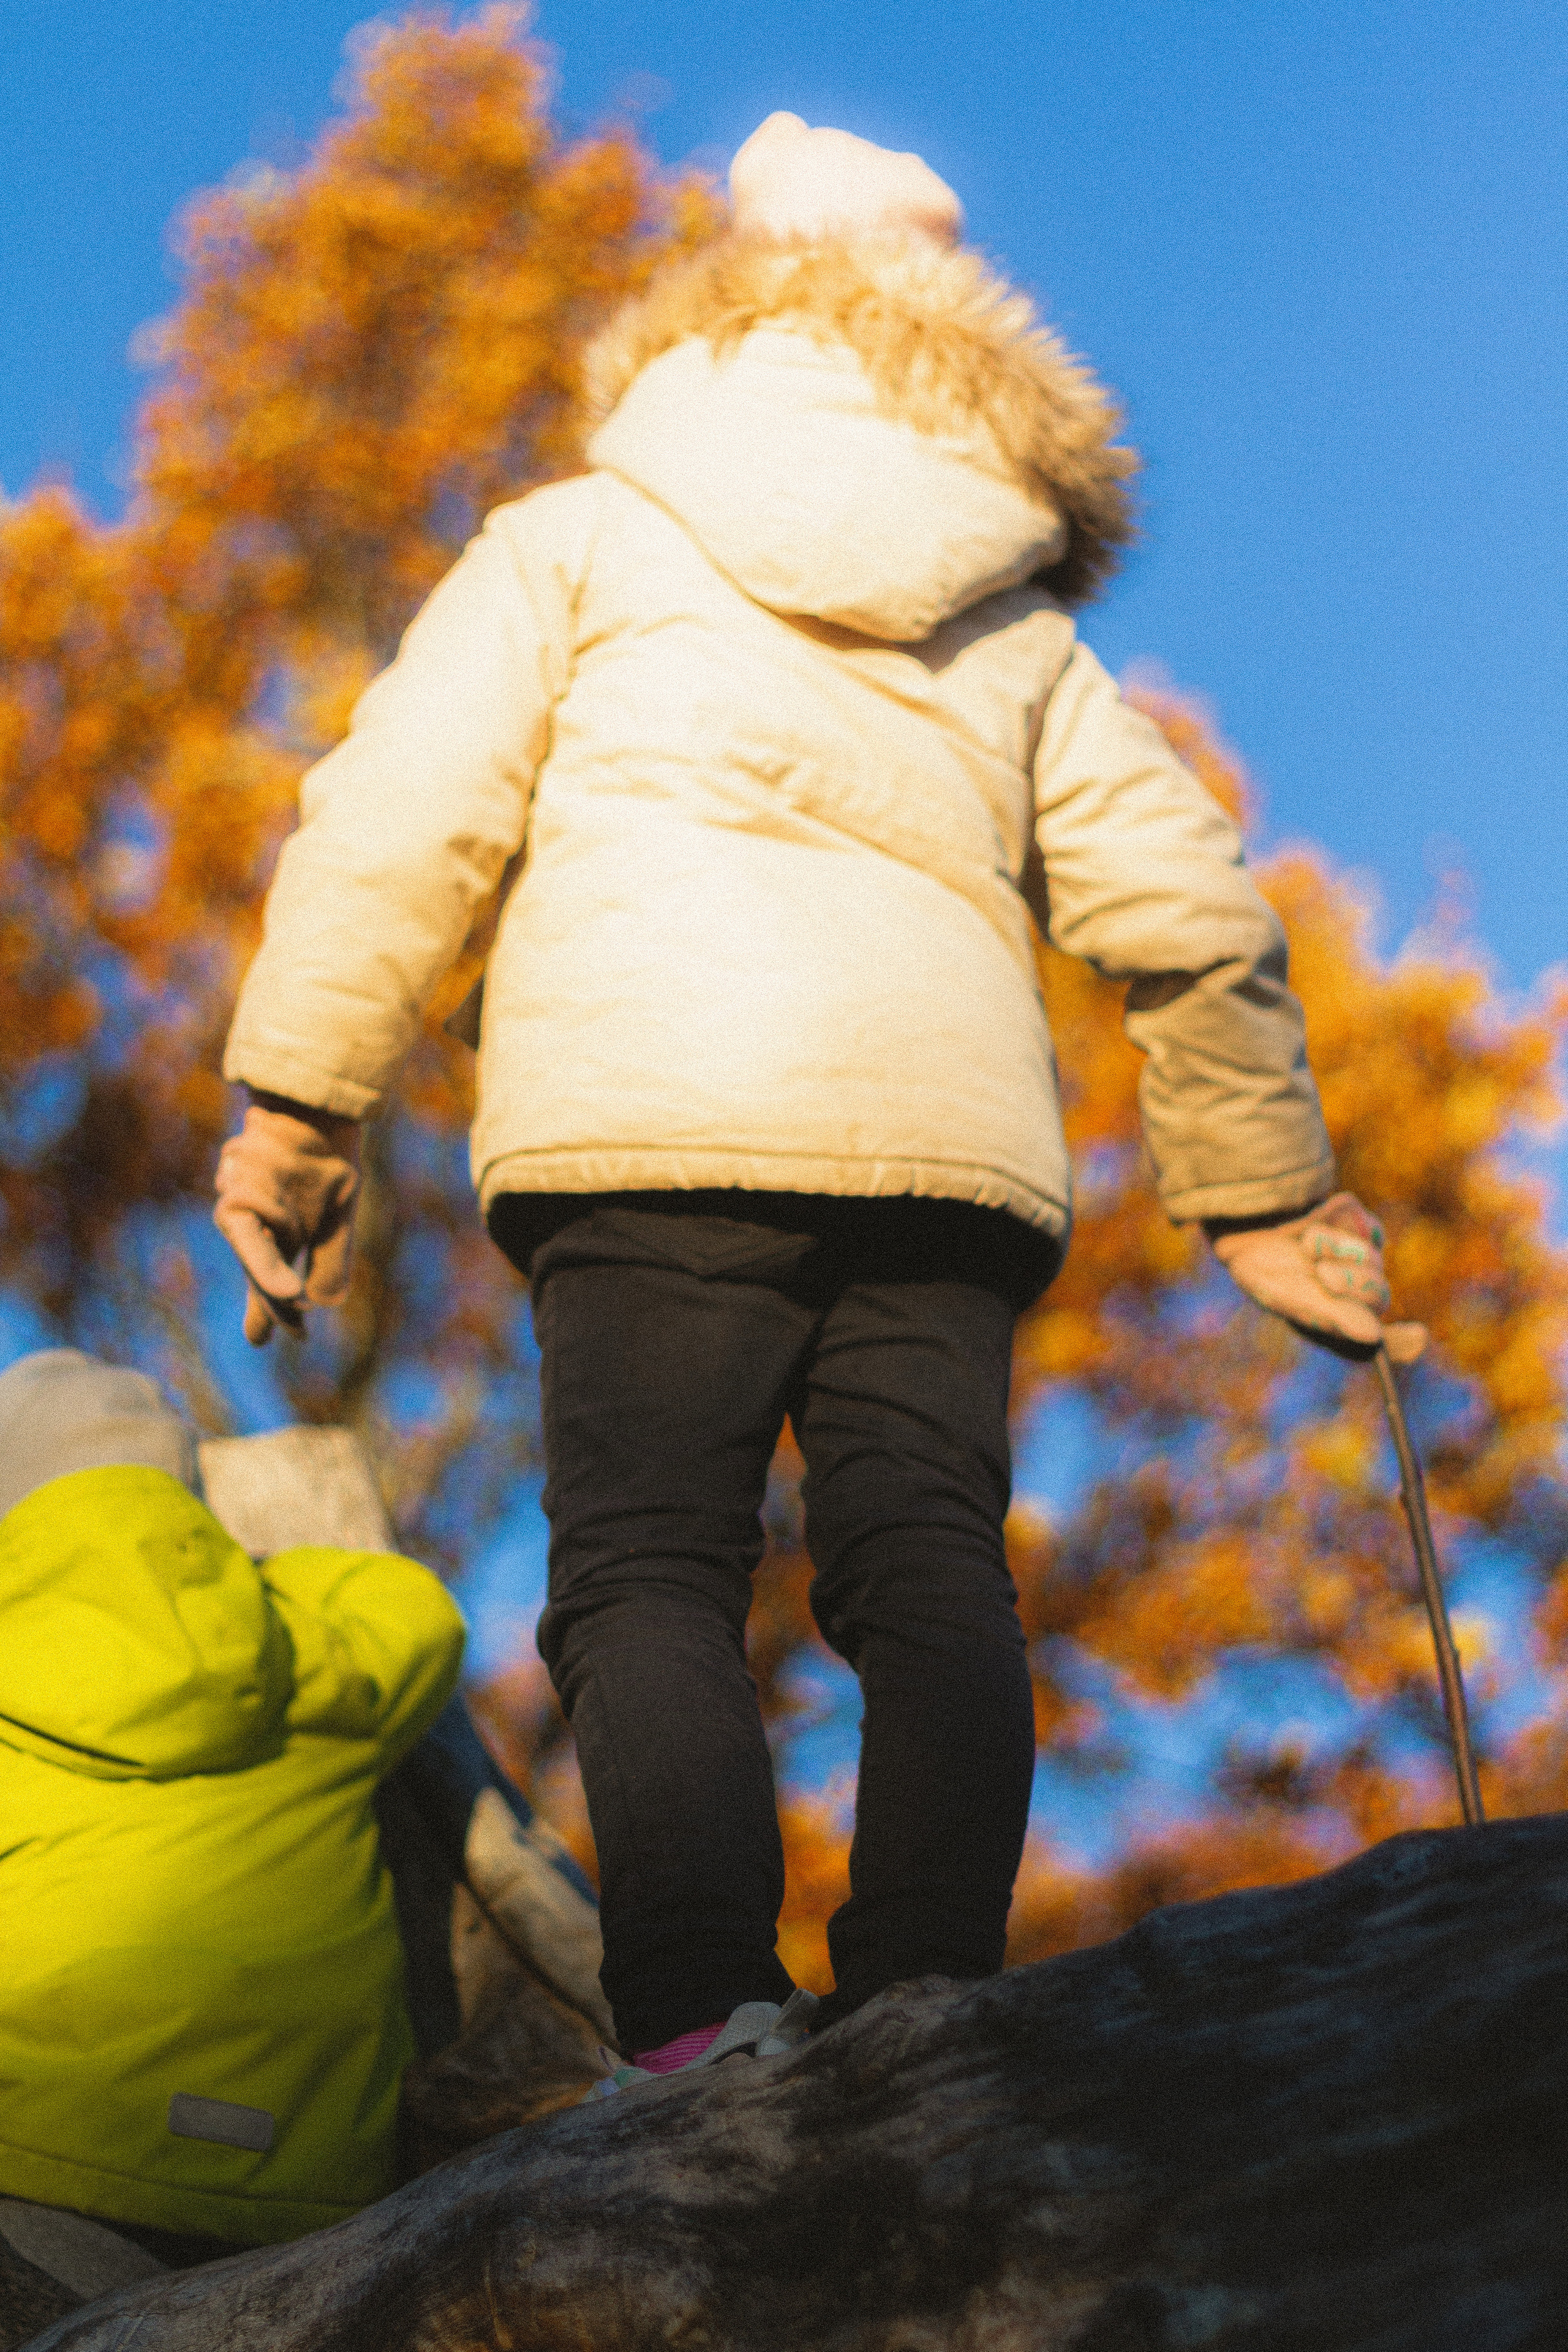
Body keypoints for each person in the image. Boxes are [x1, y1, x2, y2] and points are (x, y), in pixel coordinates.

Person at [213, 113, 1416, 2080]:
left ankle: (699, 2021)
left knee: (647, 1567)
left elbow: (395, 824)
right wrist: (1265, 1195)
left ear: (718, 298)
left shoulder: (581, 540)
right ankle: (936, 2004)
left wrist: (297, 1106)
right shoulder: (1021, 633)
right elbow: (1194, 910)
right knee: (927, 1558)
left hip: (644, 1120)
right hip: (948, 1164)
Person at [0, 1349, 464, 2251]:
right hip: (304, 2184)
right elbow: (424, 1616)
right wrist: (266, 1578)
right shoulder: (311, 1656)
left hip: (35, 2149)